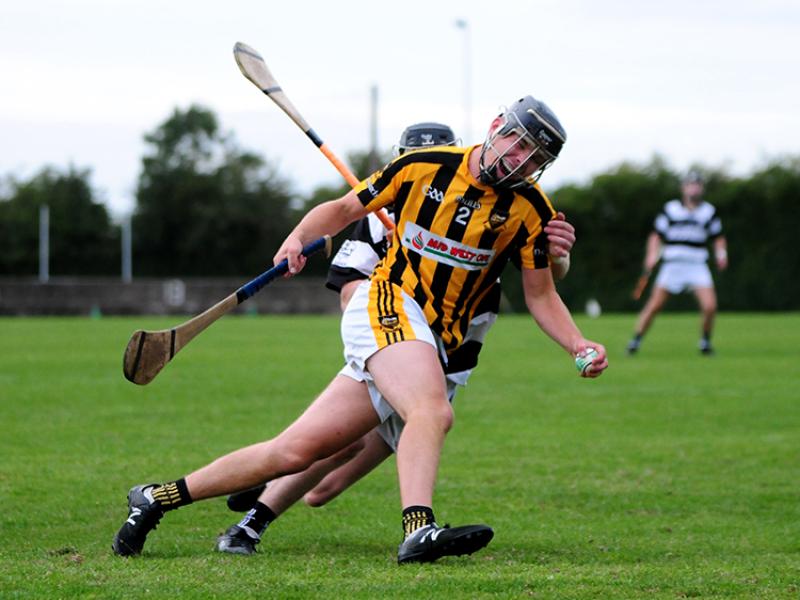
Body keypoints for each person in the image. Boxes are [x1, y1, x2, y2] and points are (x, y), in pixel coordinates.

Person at [112, 95, 608, 564]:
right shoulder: (424, 166)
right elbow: (345, 209)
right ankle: (418, 528)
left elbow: (541, 294)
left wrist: (577, 343)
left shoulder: (530, 210)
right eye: (520, 143)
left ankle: (155, 498)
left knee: (294, 452)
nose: (521, 160)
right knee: (431, 410)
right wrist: (299, 236)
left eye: (534, 156)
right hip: (388, 300)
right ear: (498, 127)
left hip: (437, 339)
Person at [215, 122, 577, 556]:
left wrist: (559, 255)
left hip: (455, 356)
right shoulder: (375, 224)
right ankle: (252, 519)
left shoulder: (504, 205)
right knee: (335, 448)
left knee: (324, 488)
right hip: (396, 346)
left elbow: (543, 281)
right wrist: (389, 345)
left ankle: (265, 473)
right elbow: (351, 291)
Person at [626, 171, 728, 355]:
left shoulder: (708, 212)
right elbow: (656, 236)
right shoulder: (671, 209)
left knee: (710, 306)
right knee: (654, 305)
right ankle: (635, 341)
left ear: (701, 188)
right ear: (683, 188)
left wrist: (721, 254)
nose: (694, 188)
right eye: (690, 184)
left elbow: (718, 238)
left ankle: (705, 343)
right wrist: (651, 255)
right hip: (673, 265)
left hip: (697, 264)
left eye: (697, 185)